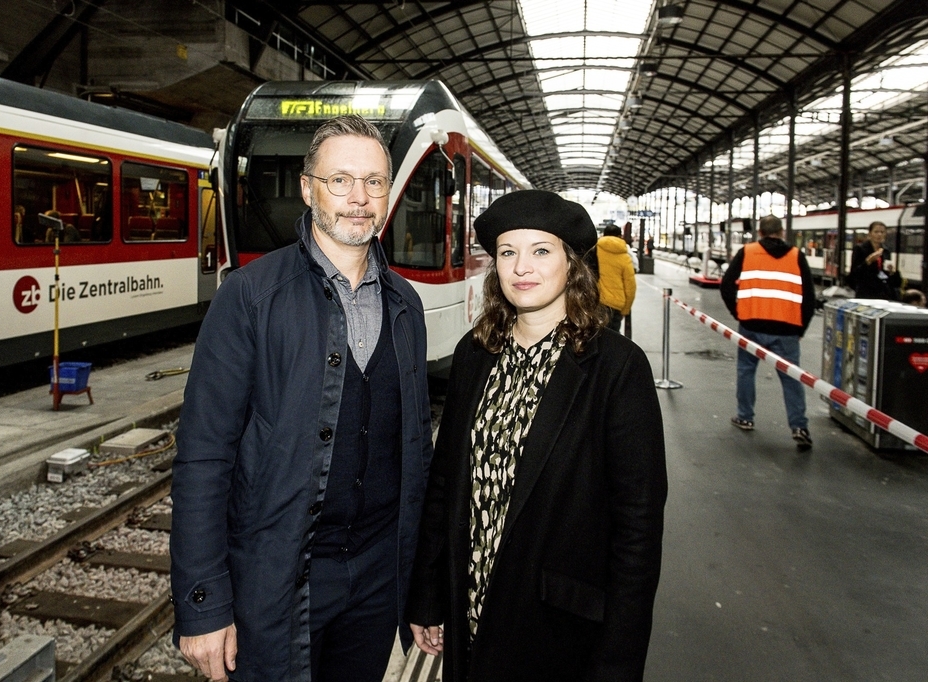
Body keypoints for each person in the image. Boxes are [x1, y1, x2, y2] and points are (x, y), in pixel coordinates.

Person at [170, 115, 434, 682]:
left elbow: (416, 456)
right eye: (340, 180)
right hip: (277, 576)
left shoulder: (407, 307)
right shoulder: (249, 298)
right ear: (308, 187)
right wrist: (204, 605)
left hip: (375, 578)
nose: (359, 199)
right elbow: (203, 457)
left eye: (374, 182)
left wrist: (421, 588)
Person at [407, 190, 668, 681]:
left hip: (560, 629)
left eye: (540, 251)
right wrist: (427, 595)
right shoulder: (475, 354)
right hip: (471, 613)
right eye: (508, 252)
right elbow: (444, 483)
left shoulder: (615, 368)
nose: (521, 267)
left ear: (572, 266)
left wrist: (619, 660)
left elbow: (638, 527)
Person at [720, 214, 816, 450]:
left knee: (745, 371)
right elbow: (810, 297)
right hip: (787, 329)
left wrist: (740, 313)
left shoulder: (747, 252)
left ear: (760, 233)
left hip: (751, 326)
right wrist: (800, 327)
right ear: (782, 233)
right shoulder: (796, 255)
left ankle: (745, 417)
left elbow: (726, 286)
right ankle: (799, 426)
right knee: (792, 378)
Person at [595, 224, 637, 332]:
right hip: (615, 306)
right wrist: (626, 310)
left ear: (604, 235)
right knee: (612, 341)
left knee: (593, 338)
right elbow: (630, 286)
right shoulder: (625, 257)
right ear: (620, 236)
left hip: (596, 302)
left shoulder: (594, 250)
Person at [848, 220, 902, 299]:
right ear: (870, 234)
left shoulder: (886, 251)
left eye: (882, 232)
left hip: (884, 292)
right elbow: (854, 274)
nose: (879, 235)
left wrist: (892, 272)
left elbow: (888, 275)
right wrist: (868, 261)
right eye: (876, 232)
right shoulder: (860, 249)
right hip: (867, 292)